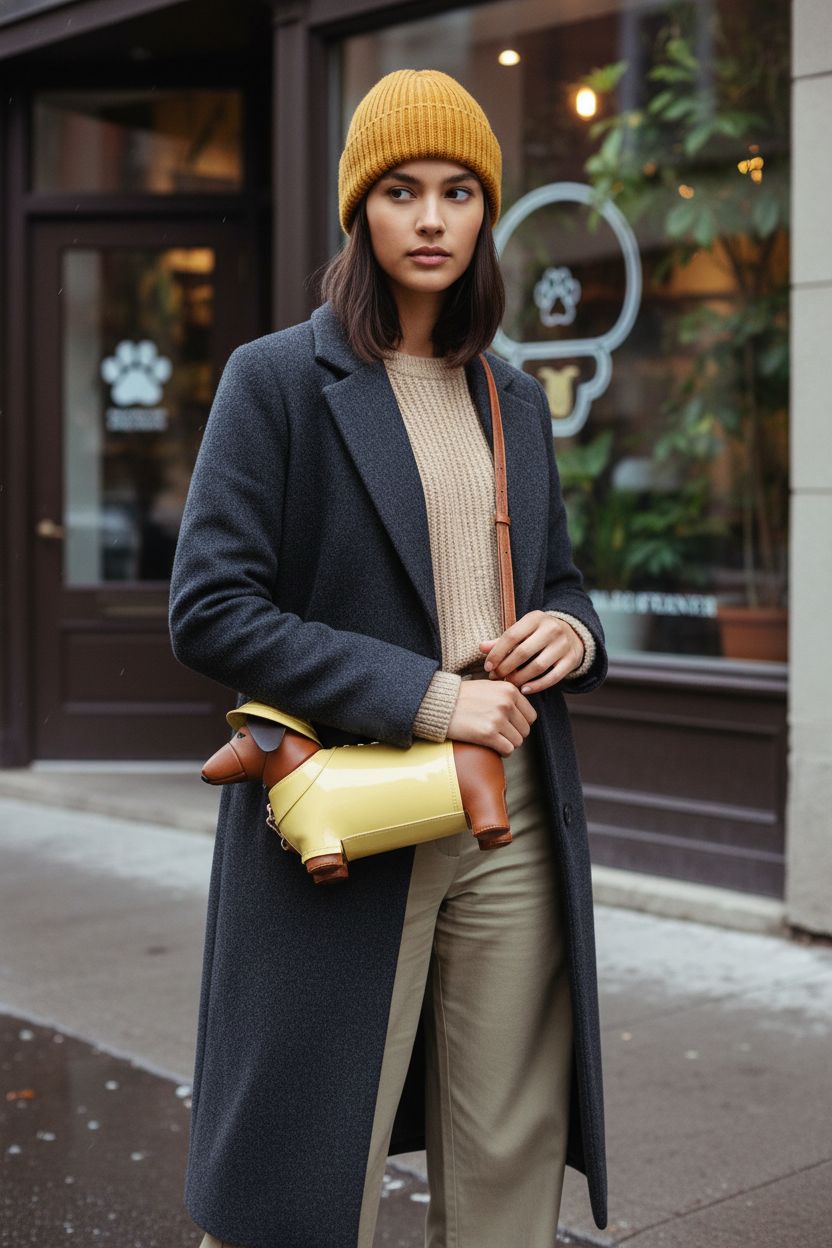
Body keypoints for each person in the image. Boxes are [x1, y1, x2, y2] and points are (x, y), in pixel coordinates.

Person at [170, 67, 609, 1248]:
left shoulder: (511, 398)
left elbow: (556, 580)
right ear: (359, 209)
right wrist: (426, 696)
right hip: (355, 803)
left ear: (486, 214)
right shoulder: (277, 380)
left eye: (459, 192)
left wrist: (571, 631)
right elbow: (210, 610)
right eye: (401, 190)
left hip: (509, 807)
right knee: (300, 1163)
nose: (430, 219)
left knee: (508, 1146)